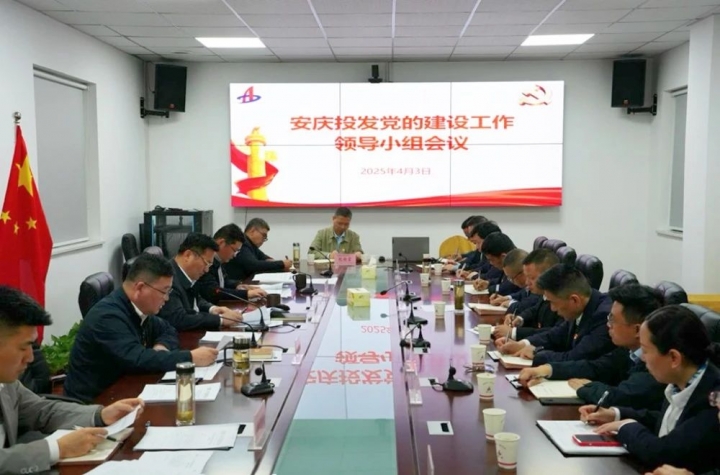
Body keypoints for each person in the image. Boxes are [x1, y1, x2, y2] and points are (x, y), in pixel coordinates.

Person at [0, 285, 144, 473]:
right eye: (23, 348)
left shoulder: (8, 384)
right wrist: (57, 448)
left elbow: (42, 410)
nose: (30, 357)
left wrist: (100, 415)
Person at [580, 305, 720, 474]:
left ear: (674, 357)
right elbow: (670, 422)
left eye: (645, 351)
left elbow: (662, 452)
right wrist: (616, 414)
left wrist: (626, 427)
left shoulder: (713, 397)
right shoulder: (683, 380)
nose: (643, 359)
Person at [64, 254, 218, 402]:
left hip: (123, 389)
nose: (166, 298)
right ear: (140, 288)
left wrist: (161, 346)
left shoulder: (138, 308)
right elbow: (137, 359)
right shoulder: (107, 317)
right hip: (93, 403)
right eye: (164, 291)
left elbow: (168, 329)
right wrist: (190, 358)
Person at [518, 283, 666, 409]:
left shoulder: (657, 361)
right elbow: (596, 367)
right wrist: (547, 369)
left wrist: (586, 388)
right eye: (609, 317)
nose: (608, 325)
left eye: (613, 320)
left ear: (637, 330)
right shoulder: (629, 350)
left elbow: (622, 396)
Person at [499, 264, 614, 365]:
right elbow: (554, 335)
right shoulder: (582, 305)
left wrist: (536, 353)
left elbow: (576, 357)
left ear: (574, 300)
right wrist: (522, 344)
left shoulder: (604, 317)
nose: (552, 309)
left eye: (553, 303)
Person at [157, 233, 244, 331]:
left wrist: (213, 309)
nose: (207, 270)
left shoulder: (187, 274)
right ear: (188, 255)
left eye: (209, 265)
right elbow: (178, 318)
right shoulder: (168, 278)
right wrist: (220, 320)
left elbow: (196, 299)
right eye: (206, 263)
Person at [493, 248, 561, 342]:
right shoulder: (545, 294)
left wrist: (514, 332)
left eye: (532, 278)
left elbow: (555, 333)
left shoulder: (563, 299)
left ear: (549, 275)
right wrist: (520, 318)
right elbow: (535, 309)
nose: (527, 282)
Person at [195, 224, 267, 305]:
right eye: (234, 250)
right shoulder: (206, 264)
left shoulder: (219, 260)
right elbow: (215, 291)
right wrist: (247, 294)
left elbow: (224, 281)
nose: (235, 255)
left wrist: (238, 285)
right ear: (221, 243)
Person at [224, 218, 292, 282]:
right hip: (235, 285)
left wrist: (277, 264)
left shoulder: (252, 245)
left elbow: (265, 258)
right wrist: (282, 264)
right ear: (252, 231)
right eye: (263, 235)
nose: (264, 239)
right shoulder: (243, 243)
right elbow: (254, 265)